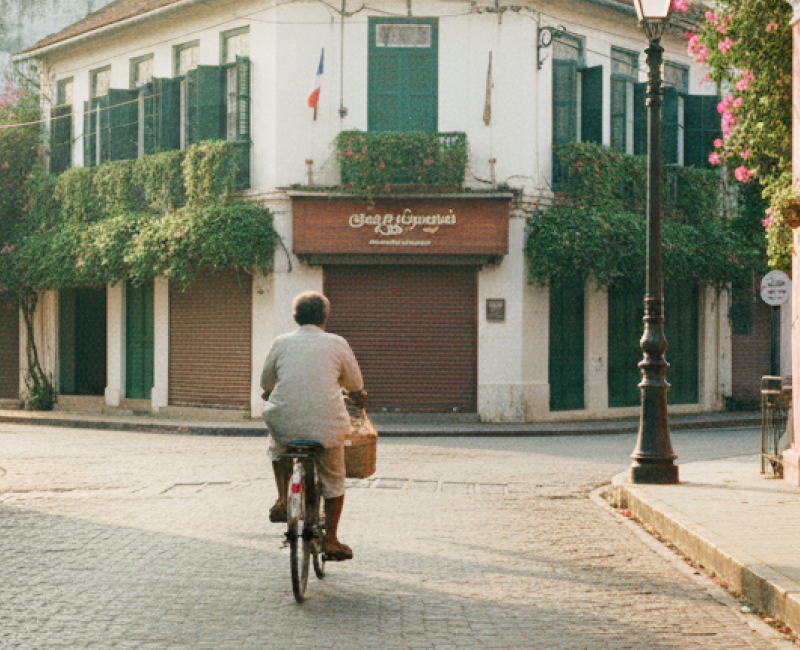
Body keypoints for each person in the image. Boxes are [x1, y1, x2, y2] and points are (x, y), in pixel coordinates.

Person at [260, 291, 366, 561]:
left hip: (284, 422)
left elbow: (266, 383)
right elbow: (355, 384)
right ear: (325, 317)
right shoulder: (337, 343)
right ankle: (330, 539)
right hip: (327, 426)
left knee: (278, 447)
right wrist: (356, 394)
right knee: (333, 478)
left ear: (295, 317)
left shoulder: (281, 343)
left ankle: (283, 500)